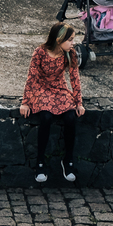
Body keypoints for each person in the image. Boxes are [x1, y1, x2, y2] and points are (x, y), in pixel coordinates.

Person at [20, 21, 87, 183]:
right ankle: (40, 161)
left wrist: (78, 102)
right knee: (46, 117)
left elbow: (74, 78)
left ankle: (68, 160)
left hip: (60, 89)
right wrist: (26, 101)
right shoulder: (40, 52)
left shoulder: (70, 53)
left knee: (71, 117)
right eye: (70, 39)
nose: (73, 43)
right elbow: (32, 77)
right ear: (59, 40)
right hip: (41, 89)